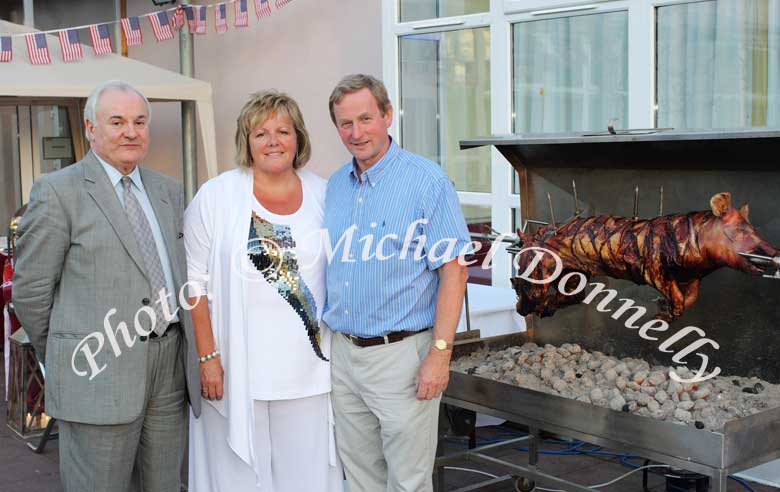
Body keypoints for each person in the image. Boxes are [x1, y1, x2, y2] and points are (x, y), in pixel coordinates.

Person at [12, 80, 200, 492]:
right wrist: (70, 350)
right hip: (98, 368)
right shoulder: (58, 192)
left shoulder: (168, 191)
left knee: (165, 484)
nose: (130, 132)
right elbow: (30, 293)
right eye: (116, 121)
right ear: (90, 128)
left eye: (139, 121)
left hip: (168, 368)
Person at [184, 90, 343, 492]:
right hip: (236, 369)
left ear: (299, 138)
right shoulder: (215, 196)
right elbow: (194, 284)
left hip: (309, 370)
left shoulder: (327, 194)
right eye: (261, 133)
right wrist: (207, 357)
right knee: (238, 479)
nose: (273, 141)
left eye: (283, 131)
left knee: (306, 479)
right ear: (246, 141)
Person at [324, 74, 471, 492]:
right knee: (361, 477)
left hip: (403, 357)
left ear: (387, 115)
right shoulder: (335, 186)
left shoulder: (426, 181)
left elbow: (454, 270)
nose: (357, 132)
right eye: (345, 124)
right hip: (345, 355)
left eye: (366, 118)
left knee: (407, 481)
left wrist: (440, 355)